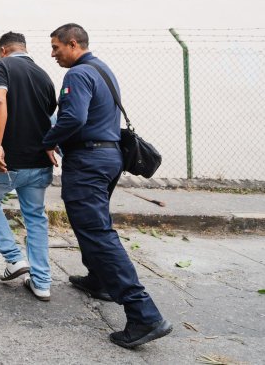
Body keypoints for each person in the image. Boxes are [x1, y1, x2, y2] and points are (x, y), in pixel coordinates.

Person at [42, 23, 172, 348]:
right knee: (94, 225)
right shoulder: (103, 69)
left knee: (97, 232)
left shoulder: (77, 75)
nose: (54, 54)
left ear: (73, 44)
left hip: (88, 162)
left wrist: (47, 142)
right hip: (108, 158)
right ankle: (98, 280)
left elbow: (73, 119)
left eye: (57, 47)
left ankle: (144, 315)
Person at [0, 32, 57, 301]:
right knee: (35, 217)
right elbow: (52, 117)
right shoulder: (44, 75)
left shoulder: (1, 66)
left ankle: (13, 258)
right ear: (25, 48)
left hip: (7, 160)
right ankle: (42, 282)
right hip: (39, 162)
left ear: (3, 50)